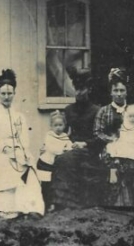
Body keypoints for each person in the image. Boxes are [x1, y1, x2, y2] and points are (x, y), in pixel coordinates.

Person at [0, 69, 44, 219]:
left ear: (14, 93)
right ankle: (8, 210)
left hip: (16, 151)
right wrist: (2, 147)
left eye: (10, 94)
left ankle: (31, 208)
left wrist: (23, 152)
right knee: (5, 164)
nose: (7, 97)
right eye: (3, 94)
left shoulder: (19, 116)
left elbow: (24, 139)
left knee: (29, 166)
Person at [95, 68, 134, 206]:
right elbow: (97, 133)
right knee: (114, 162)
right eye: (116, 91)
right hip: (112, 149)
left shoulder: (133, 111)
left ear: (126, 92)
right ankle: (116, 203)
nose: (119, 94)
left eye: (122, 90)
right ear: (111, 92)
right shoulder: (103, 111)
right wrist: (112, 139)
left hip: (133, 148)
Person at [51, 67, 105, 209]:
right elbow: (65, 132)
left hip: (90, 149)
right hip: (71, 147)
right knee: (56, 156)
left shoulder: (97, 110)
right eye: (77, 89)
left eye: (82, 89)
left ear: (89, 90)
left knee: (64, 160)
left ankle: (66, 202)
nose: (79, 93)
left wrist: (84, 144)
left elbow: (100, 138)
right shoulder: (69, 110)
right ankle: (60, 201)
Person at [36, 110, 74, 210]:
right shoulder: (49, 136)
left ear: (64, 125)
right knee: (45, 185)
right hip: (45, 163)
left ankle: (53, 204)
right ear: (51, 126)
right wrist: (63, 150)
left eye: (60, 125)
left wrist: (69, 148)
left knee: (54, 184)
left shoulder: (64, 137)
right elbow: (51, 149)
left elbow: (70, 146)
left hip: (55, 165)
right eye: (55, 125)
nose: (58, 128)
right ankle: (44, 204)